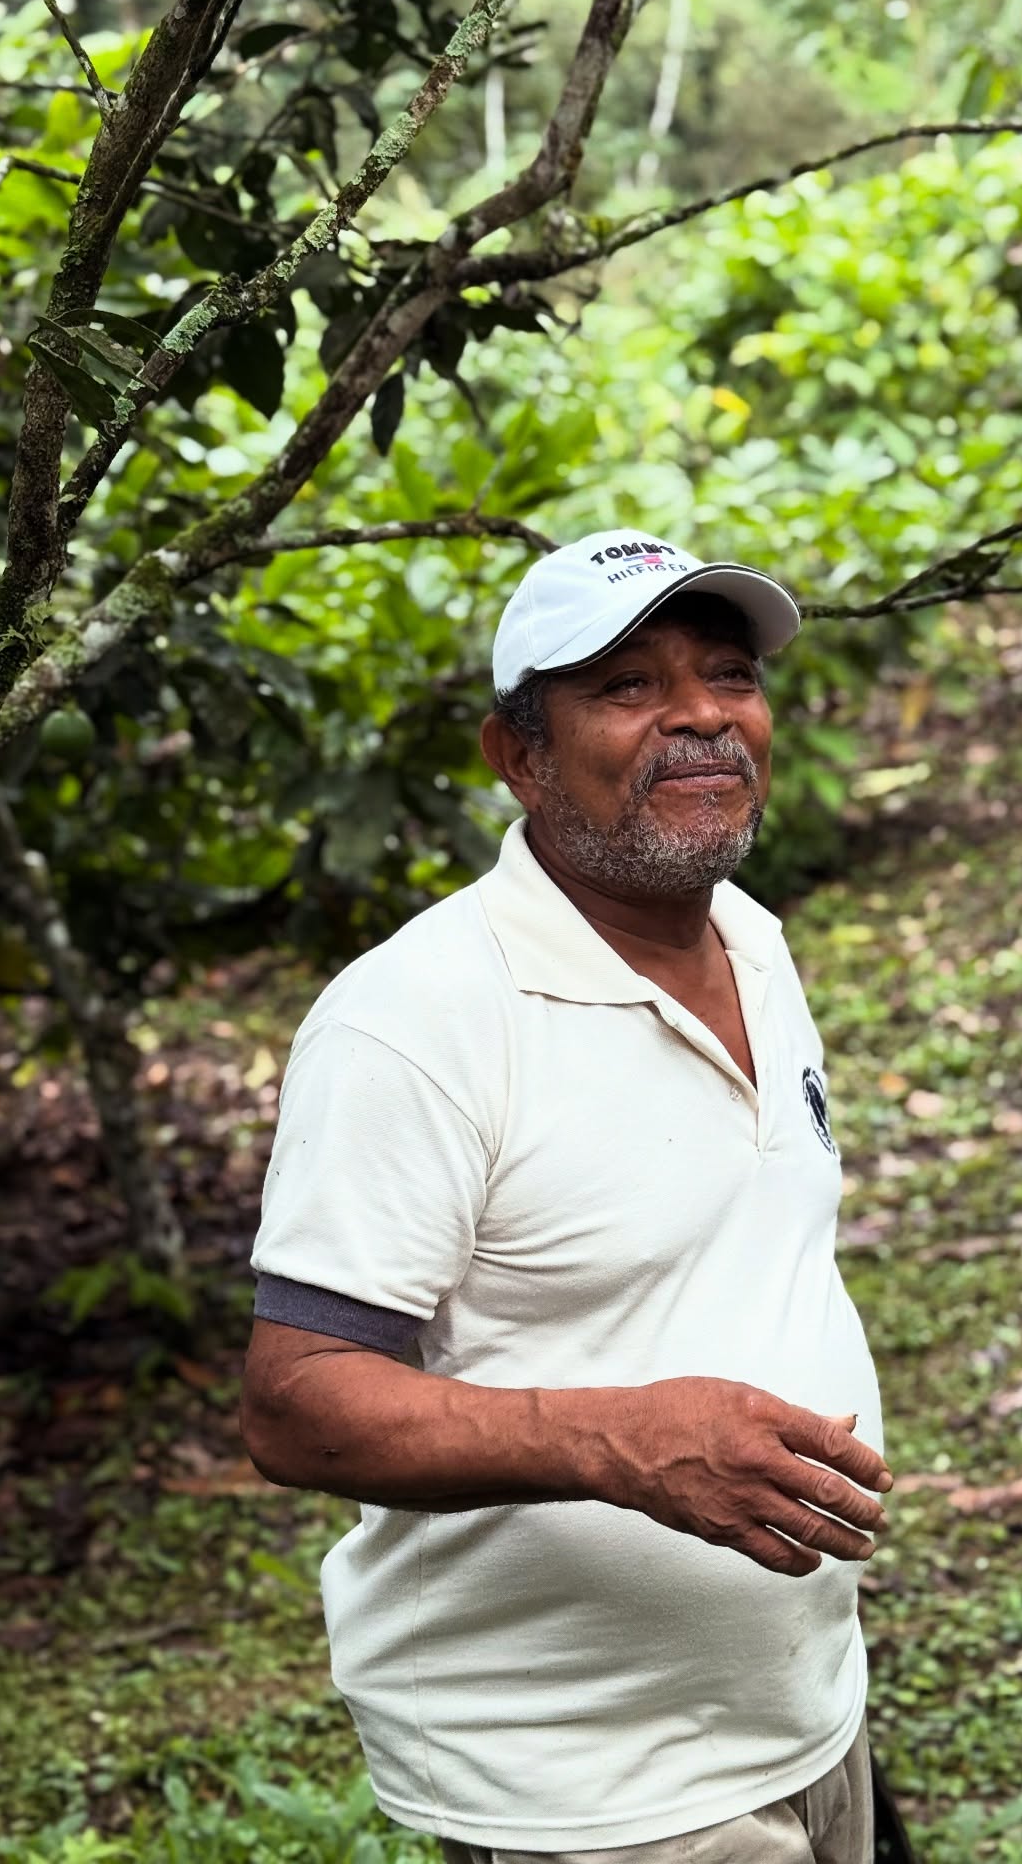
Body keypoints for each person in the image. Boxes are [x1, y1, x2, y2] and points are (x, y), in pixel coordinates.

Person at [240, 528, 893, 1864]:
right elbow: (297, 1406)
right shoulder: (417, 1023)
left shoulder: (751, 938)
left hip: (804, 1709)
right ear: (518, 755)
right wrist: (623, 1440)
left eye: (726, 676)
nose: (702, 715)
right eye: (628, 688)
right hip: (590, 1786)